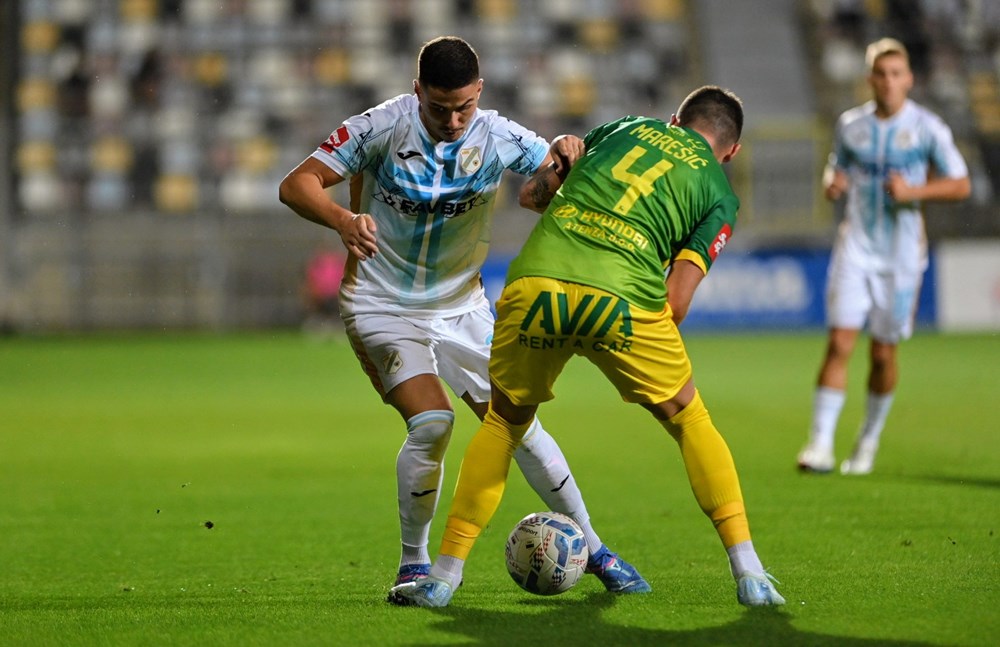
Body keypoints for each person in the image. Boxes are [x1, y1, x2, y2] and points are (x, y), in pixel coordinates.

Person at [278, 36, 648, 597]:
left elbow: (545, 186)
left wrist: (568, 155)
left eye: (464, 107)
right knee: (433, 423)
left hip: (463, 307)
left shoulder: (498, 135)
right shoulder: (380, 127)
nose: (453, 121)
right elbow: (295, 184)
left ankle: (595, 549)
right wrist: (342, 219)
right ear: (416, 91)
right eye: (438, 108)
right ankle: (414, 562)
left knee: (519, 427)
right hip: (381, 303)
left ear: (480, 92)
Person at [390, 85, 786, 608]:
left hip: (537, 282)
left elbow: (533, 196)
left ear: (673, 119)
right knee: (689, 419)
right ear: (731, 152)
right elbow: (676, 301)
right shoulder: (718, 191)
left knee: (504, 424)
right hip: (622, 298)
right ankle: (750, 574)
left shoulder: (622, 128)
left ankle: (443, 578)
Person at [796, 38, 971, 476]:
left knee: (882, 354)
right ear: (870, 79)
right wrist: (832, 182)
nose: (889, 82)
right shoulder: (850, 125)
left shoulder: (927, 128)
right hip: (856, 246)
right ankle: (820, 445)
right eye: (881, 74)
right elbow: (836, 167)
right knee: (839, 342)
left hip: (901, 258)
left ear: (909, 79)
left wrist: (914, 192)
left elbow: (960, 183)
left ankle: (868, 440)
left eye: (896, 74)